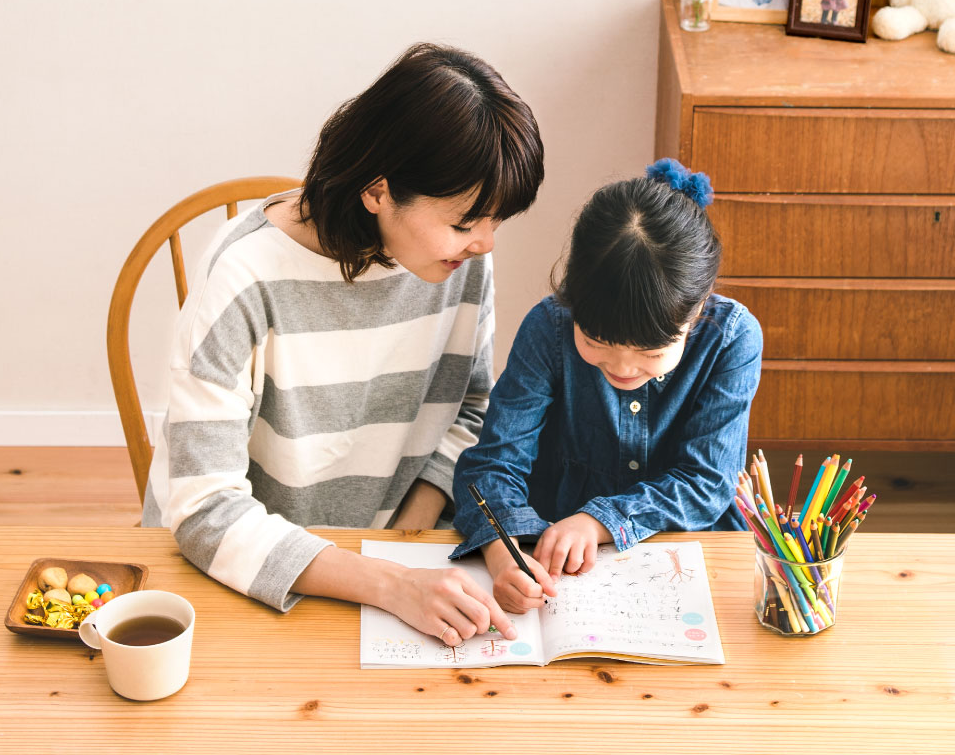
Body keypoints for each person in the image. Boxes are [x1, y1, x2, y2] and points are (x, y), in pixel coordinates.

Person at [142, 42, 544, 647]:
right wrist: (388, 582)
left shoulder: (462, 261)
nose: (485, 243)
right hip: (254, 571)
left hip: (392, 562)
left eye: (496, 222)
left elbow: (470, 409)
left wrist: (407, 541)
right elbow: (204, 510)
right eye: (465, 222)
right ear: (378, 192)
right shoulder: (244, 276)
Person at [450, 158, 762, 613]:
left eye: (652, 354)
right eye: (596, 341)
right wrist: (504, 553)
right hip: (557, 566)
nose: (623, 368)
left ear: (696, 312)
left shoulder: (731, 338)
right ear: (570, 296)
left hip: (692, 560)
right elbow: (493, 465)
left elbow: (706, 483)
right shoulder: (549, 326)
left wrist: (599, 520)